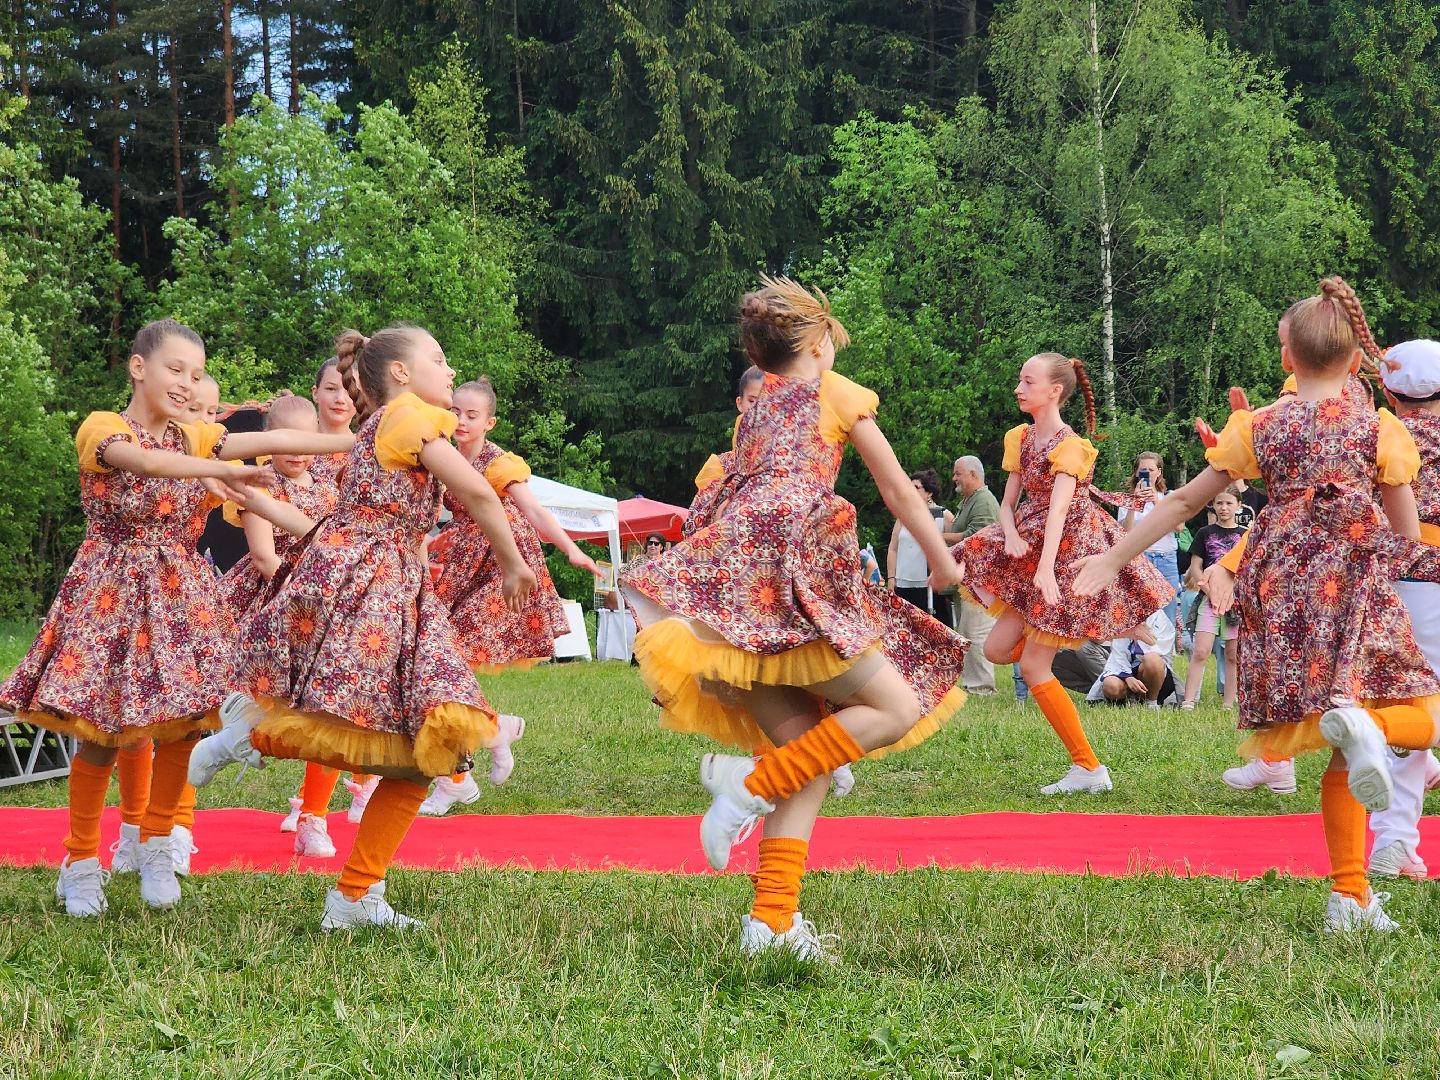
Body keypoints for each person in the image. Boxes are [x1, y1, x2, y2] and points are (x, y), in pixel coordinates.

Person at [1076, 277, 1440, 932]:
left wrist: (1110, 558)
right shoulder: (1381, 428)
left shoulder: (1259, 425)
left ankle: (1349, 897)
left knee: (1338, 736)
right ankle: (1373, 743)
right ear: (1357, 361)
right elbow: (1405, 538)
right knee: (1420, 719)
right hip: (1355, 586)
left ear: (1286, 360)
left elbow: (1185, 501)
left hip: (1283, 592)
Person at [621, 276, 968, 962]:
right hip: (797, 594)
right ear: (814, 342)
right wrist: (942, 559)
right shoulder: (834, 394)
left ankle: (770, 923)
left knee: (808, 757)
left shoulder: (754, 411)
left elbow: (727, 500)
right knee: (895, 707)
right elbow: (898, 487)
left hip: (751, 600)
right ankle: (745, 787)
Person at [188, 325, 537, 931]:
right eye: (439, 357)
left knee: (418, 752)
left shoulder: (388, 424)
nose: (450, 371)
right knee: (385, 723)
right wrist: (513, 561)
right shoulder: (406, 418)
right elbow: (479, 492)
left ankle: (355, 897)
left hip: (392, 585)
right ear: (400, 373)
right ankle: (244, 736)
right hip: (367, 589)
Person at [0, 318, 351, 918]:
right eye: (175, 370)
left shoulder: (197, 440)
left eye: (195, 373)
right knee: (102, 738)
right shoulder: (105, 429)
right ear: (139, 368)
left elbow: (296, 451)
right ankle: (81, 860)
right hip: (110, 596)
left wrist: (366, 444)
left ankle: (158, 843)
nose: (187, 384)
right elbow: (148, 464)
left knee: (182, 729)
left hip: (182, 597)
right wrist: (226, 470)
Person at [955, 352, 1173, 796]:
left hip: (1068, 547)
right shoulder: (1019, 436)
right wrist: (1011, 535)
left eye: (1027, 381)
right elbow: (1007, 501)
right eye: (1020, 380)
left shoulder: (1071, 446)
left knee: (1034, 666)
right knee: (997, 650)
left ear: (1054, 391)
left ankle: (1088, 766)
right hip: (1032, 539)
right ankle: (1087, 630)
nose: (1018, 388)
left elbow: (1058, 512)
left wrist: (1045, 568)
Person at [419, 377, 602, 816]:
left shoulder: (498, 464)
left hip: (505, 569)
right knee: (439, 666)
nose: (461, 421)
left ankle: (465, 767)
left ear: (490, 422)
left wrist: (572, 550)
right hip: (462, 568)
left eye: (472, 415)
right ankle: (484, 745)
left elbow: (535, 511)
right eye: (456, 412)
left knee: (448, 662)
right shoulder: (440, 455)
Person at [218, 394, 346, 857]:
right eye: (285, 440)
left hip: (324, 609)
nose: (296, 451)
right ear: (269, 439)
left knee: (329, 709)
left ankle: (315, 816)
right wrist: (312, 592)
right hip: (273, 606)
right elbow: (265, 558)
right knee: (232, 710)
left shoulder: (333, 490)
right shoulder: (262, 487)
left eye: (305, 440)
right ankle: (175, 819)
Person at [277, 358, 375, 834]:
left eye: (350, 389)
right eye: (332, 388)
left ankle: (335, 794)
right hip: (287, 576)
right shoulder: (292, 451)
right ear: (315, 392)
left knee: (337, 693)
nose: (341, 398)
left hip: (343, 581)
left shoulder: (368, 450)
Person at [1368, 339, 1440, 879]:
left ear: (1388, 391)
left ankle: (1394, 841)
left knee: (1411, 705)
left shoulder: (1375, 435)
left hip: (1396, 584)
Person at [1181, 486, 1245, 711]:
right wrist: (1209, 590)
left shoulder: (1245, 534)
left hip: (1235, 602)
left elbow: (1248, 568)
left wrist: (1231, 592)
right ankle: (1188, 700)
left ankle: (1229, 702)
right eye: (1219, 503)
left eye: (1228, 503)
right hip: (1209, 599)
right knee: (1201, 650)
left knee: (1232, 654)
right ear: (1213, 505)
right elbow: (1196, 567)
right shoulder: (1204, 533)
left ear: (1238, 505)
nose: (1224, 508)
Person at [944, 455, 1001, 693]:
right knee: (967, 630)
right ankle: (972, 683)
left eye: (958, 473)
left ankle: (982, 686)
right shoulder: (969, 500)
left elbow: (980, 535)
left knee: (976, 632)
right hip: (968, 579)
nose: (954, 477)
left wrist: (942, 539)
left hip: (982, 580)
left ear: (973, 475)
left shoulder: (984, 500)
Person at [1120, 452, 1182, 641]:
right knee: (1139, 609)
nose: (1146, 473)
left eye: (1151, 469)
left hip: (1166, 559)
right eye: (1142, 470)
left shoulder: (1169, 498)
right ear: (1137, 473)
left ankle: (1166, 661)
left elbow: (1178, 527)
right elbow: (1124, 533)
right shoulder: (1127, 500)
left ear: (1159, 473)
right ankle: (1139, 658)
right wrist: (1134, 503)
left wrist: (1156, 500)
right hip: (1141, 558)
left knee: (1168, 611)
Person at [887, 468, 954, 624]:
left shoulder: (943, 515)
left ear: (929, 493)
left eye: (916, 488)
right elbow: (893, 548)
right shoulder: (903, 515)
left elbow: (953, 547)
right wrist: (891, 578)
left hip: (929, 586)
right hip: (902, 583)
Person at [1087, 609, 1178, 708]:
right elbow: (1118, 653)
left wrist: (1141, 635)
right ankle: (1131, 699)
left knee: (1151, 659)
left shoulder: (1161, 618)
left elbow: (1161, 650)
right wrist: (1128, 677)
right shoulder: (1123, 616)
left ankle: (1152, 702)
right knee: (1111, 685)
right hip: (1128, 669)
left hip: (1154, 673)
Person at [695, 366, 765, 491]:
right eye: (752, 401)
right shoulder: (719, 467)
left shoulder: (793, 463)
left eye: (767, 401)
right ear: (739, 403)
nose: (758, 408)